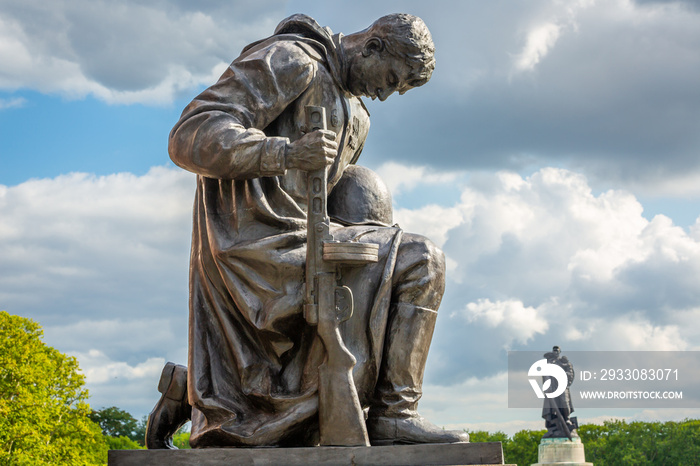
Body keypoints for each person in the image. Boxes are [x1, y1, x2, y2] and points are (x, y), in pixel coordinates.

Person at [146, 13, 468, 448]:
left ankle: (202, 388)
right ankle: (395, 415)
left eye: (400, 90)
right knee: (421, 260)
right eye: (391, 77)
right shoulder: (291, 60)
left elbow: (334, 194)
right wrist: (285, 152)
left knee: (392, 257)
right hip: (253, 249)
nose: (387, 94)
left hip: (310, 241)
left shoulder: (358, 115)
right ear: (372, 46)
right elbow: (190, 134)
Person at [542, 346, 578, 438]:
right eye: (554, 351)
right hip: (552, 388)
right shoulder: (549, 363)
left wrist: (564, 380)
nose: (555, 352)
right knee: (552, 408)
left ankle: (567, 419)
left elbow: (570, 373)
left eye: (557, 351)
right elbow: (545, 375)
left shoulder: (564, 362)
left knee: (564, 403)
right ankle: (553, 425)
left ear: (560, 352)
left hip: (562, 386)